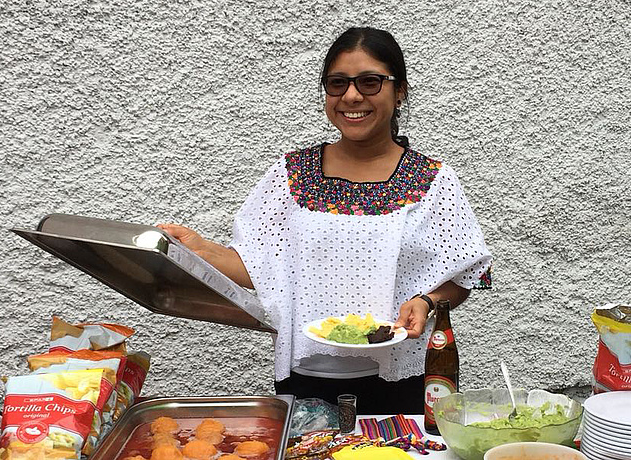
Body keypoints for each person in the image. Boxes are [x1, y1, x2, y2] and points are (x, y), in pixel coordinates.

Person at [158, 27, 492, 414]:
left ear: (399, 91)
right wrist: (202, 249)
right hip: (308, 371)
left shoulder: (431, 181)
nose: (352, 96)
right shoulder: (291, 175)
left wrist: (428, 301)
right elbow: (259, 268)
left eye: (370, 82)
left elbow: (463, 276)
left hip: (400, 377)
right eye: (337, 84)